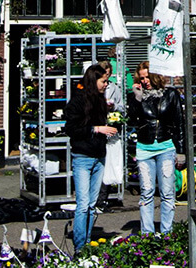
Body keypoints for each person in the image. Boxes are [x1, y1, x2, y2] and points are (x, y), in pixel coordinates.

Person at [64, 64, 118, 254]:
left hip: (99, 156)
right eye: (103, 81)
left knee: (92, 204)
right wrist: (96, 129)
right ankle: (80, 247)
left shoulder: (101, 100)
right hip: (83, 157)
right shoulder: (78, 101)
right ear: (93, 81)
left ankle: (87, 242)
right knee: (83, 203)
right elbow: (71, 129)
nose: (106, 85)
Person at [128, 61, 185, 235]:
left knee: (167, 192)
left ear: (156, 76)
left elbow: (179, 123)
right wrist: (136, 98)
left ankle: (167, 232)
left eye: (147, 77)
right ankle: (147, 234)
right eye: (142, 78)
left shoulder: (171, 94)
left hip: (166, 146)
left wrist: (181, 150)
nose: (145, 81)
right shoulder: (138, 96)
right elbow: (131, 120)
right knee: (146, 192)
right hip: (144, 148)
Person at [95, 59, 124, 212]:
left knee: (108, 164)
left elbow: (121, 105)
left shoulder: (114, 88)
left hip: (110, 128)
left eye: (108, 74)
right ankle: (95, 198)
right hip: (97, 129)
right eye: (104, 74)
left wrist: (114, 107)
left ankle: (102, 199)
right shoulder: (92, 88)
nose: (107, 78)